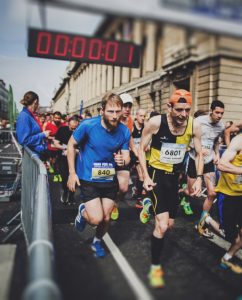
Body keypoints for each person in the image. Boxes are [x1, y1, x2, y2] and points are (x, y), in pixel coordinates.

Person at [138, 89, 203, 288]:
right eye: (179, 110)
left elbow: (199, 153)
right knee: (163, 226)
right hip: (157, 175)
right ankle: (155, 267)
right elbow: (141, 148)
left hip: (175, 178)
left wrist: (199, 177)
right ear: (169, 107)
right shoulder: (156, 122)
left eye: (187, 110)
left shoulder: (193, 124)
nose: (184, 115)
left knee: (171, 224)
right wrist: (146, 176)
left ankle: (149, 205)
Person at [67, 92, 130, 258]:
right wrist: (72, 173)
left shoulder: (124, 131)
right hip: (89, 178)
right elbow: (71, 145)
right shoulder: (88, 125)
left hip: (109, 178)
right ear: (102, 110)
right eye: (111, 111)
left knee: (106, 219)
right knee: (96, 219)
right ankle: (82, 212)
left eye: (118, 111)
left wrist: (122, 160)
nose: (115, 116)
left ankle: (97, 241)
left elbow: (127, 156)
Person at [198, 132, 242, 274]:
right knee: (229, 235)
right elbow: (222, 164)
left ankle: (226, 258)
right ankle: (207, 219)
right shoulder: (239, 141)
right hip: (229, 195)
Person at [188, 100, 225, 237]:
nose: (219, 116)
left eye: (221, 113)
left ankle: (201, 224)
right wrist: (196, 148)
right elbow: (188, 139)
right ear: (211, 110)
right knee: (191, 192)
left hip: (208, 161)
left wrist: (216, 154)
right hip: (195, 160)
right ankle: (182, 193)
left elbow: (216, 141)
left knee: (212, 193)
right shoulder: (198, 121)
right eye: (217, 112)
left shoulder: (221, 126)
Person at [111, 93, 135, 220]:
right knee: (104, 187)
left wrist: (137, 153)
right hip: (107, 158)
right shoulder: (110, 119)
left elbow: (129, 139)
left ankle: (115, 203)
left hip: (123, 156)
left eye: (129, 106)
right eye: (124, 106)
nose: (127, 109)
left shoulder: (130, 121)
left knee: (124, 188)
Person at [53, 115, 79, 205]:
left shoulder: (80, 131)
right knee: (64, 177)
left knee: (74, 177)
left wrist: (75, 150)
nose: (73, 130)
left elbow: (83, 147)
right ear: (68, 124)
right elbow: (55, 143)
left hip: (76, 158)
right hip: (63, 158)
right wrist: (64, 149)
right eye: (72, 128)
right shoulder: (62, 130)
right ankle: (65, 191)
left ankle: (71, 196)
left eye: (75, 128)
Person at [16, 91, 50, 156]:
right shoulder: (24, 116)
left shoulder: (29, 115)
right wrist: (43, 135)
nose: (38, 105)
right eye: (38, 103)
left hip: (36, 154)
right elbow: (24, 140)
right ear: (35, 102)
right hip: (32, 156)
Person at [131, 108, 147, 208]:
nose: (143, 118)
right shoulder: (132, 127)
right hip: (131, 153)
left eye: (144, 116)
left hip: (140, 154)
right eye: (141, 116)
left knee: (141, 175)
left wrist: (148, 145)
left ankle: (138, 198)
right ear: (136, 116)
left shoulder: (146, 127)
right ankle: (136, 190)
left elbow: (149, 139)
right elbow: (128, 140)